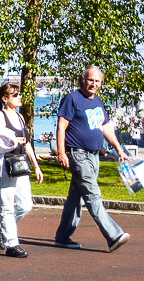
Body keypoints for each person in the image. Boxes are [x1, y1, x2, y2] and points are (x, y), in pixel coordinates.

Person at [55, 66, 130, 252]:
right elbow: (61, 127)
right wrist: (62, 152)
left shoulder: (97, 101)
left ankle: (62, 236)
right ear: (83, 80)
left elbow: (105, 127)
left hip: (94, 156)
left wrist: (119, 149)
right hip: (78, 155)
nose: (93, 84)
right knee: (93, 195)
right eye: (90, 80)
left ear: (101, 83)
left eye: (97, 81)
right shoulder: (72, 99)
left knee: (76, 199)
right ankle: (114, 235)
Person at [0, 82, 43, 258]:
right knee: (7, 206)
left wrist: (36, 166)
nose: (19, 97)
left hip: (21, 165)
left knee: (26, 205)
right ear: (5, 99)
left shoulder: (21, 117)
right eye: (15, 95)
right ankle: (12, 245)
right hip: (6, 165)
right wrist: (11, 143)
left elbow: (27, 144)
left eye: (19, 94)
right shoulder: (0, 116)